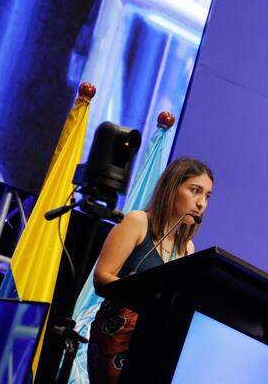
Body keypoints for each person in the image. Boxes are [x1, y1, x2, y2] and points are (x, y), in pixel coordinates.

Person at [86, 157, 213, 384]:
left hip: (153, 343)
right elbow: (101, 276)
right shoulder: (137, 221)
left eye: (207, 196)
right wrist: (136, 291)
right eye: (195, 191)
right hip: (116, 337)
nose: (201, 203)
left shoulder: (187, 248)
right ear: (172, 188)